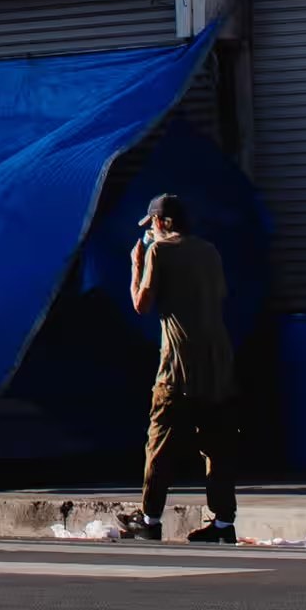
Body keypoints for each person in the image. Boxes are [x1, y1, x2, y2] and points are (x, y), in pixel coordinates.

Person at [119, 193, 239, 544]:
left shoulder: (158, 251)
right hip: (218, 362)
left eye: (151, 223)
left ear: (159, 222)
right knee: (218, 446)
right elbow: (217, 295)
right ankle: (222, 524)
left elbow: (141, 304)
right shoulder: (210, 251)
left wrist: (135, 264)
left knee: (160, 441)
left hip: (178, 365)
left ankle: (150, 519)